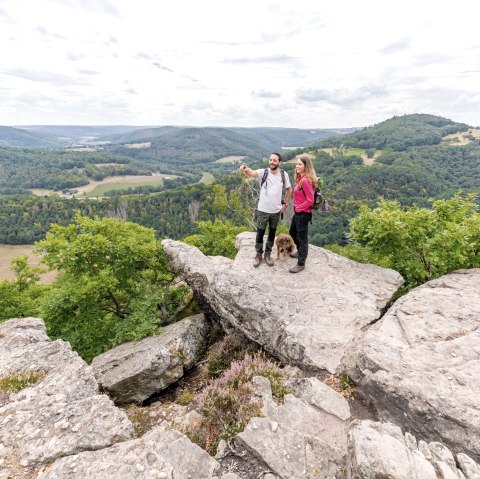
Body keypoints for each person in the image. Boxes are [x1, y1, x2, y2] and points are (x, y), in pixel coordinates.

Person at [240, 152, 292, 267]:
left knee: (272, 233)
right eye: (270, 160)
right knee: (260, 233)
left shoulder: (284, 175)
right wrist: (245, 169)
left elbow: (289, 189)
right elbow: (251, 173)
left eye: (274, 160)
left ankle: (267, 254)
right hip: (263, 210)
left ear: (279, 162)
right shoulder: (263, 172)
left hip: (276, 211)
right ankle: (259, 254)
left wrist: (285, 204)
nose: (272, 162)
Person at [289, 154, 318, 273]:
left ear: (306, 166)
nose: (297, 166)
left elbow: (310, 200)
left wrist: (299, 208)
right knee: (292, 232)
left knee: (302, 239)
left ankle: (301, 263)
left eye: (300, 164)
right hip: (299, 212)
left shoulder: (306, 180)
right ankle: (300, 252)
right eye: (297, 163)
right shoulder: (300, 178)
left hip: (303, 213)